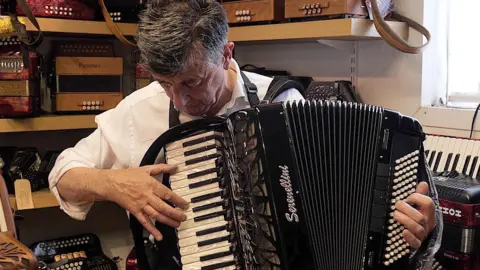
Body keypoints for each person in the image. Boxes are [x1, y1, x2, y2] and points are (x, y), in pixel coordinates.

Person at [48, 0, 441, 268]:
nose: (179, 98)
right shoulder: (139, 110)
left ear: (226, 54)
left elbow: (335, 197)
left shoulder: (282, 101)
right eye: (166, 83)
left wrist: (419, 228)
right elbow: (63, 175)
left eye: (192, 81)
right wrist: (114, 184)